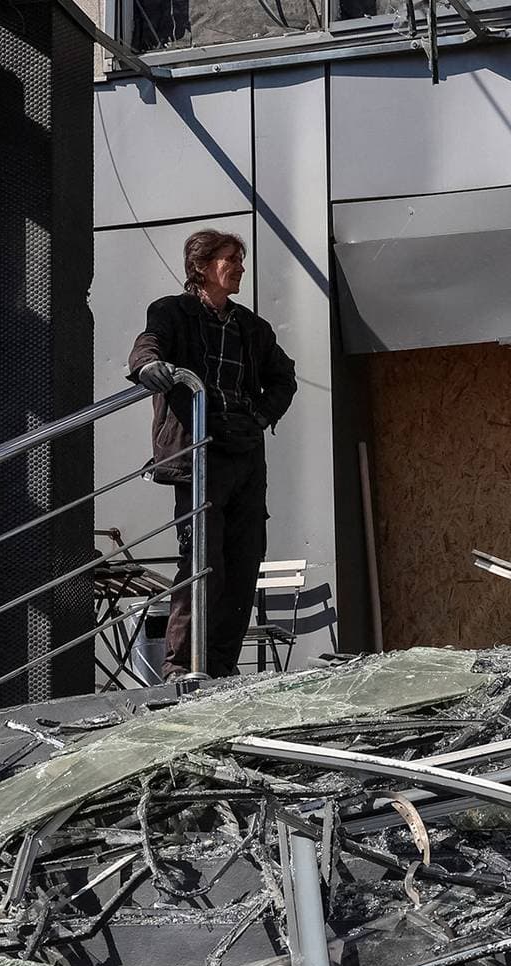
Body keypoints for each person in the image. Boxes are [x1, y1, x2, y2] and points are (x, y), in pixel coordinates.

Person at [129, 230, 297, 677]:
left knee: (244, 563)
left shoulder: (252, 327)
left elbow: (284, 377)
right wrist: (149, 368)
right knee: (204, 561)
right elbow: (149, 345)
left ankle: (221, 666)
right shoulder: (172, 312)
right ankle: (181, 667)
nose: (240, 267)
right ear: (202, 267)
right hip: (199, 456)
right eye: (230, 260)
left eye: (240, 260)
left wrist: (260, 417)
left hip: (244, 456)